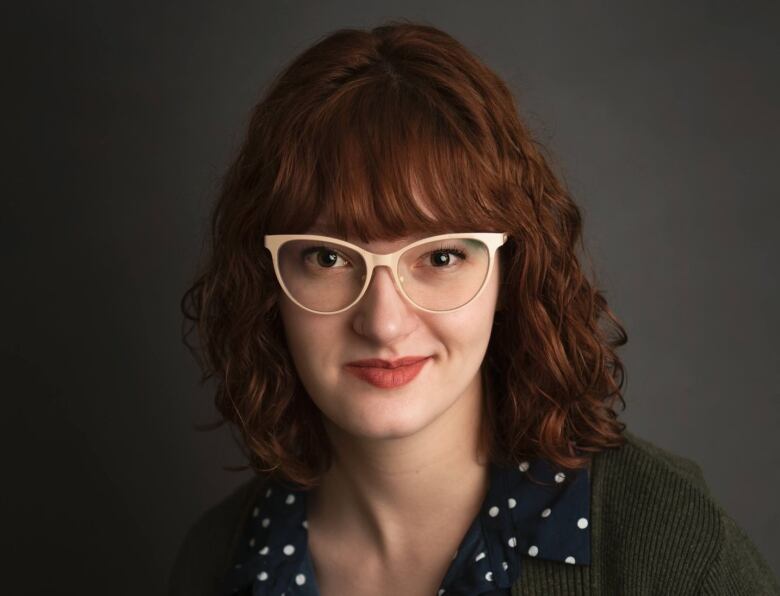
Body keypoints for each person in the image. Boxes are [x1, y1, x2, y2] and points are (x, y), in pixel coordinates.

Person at [171, 20, 779, 596]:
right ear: (266, 281)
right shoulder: (219, 559)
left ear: (509, 274)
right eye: (328, 259)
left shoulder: (659, 535)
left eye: (439, 259)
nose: (383, 323)